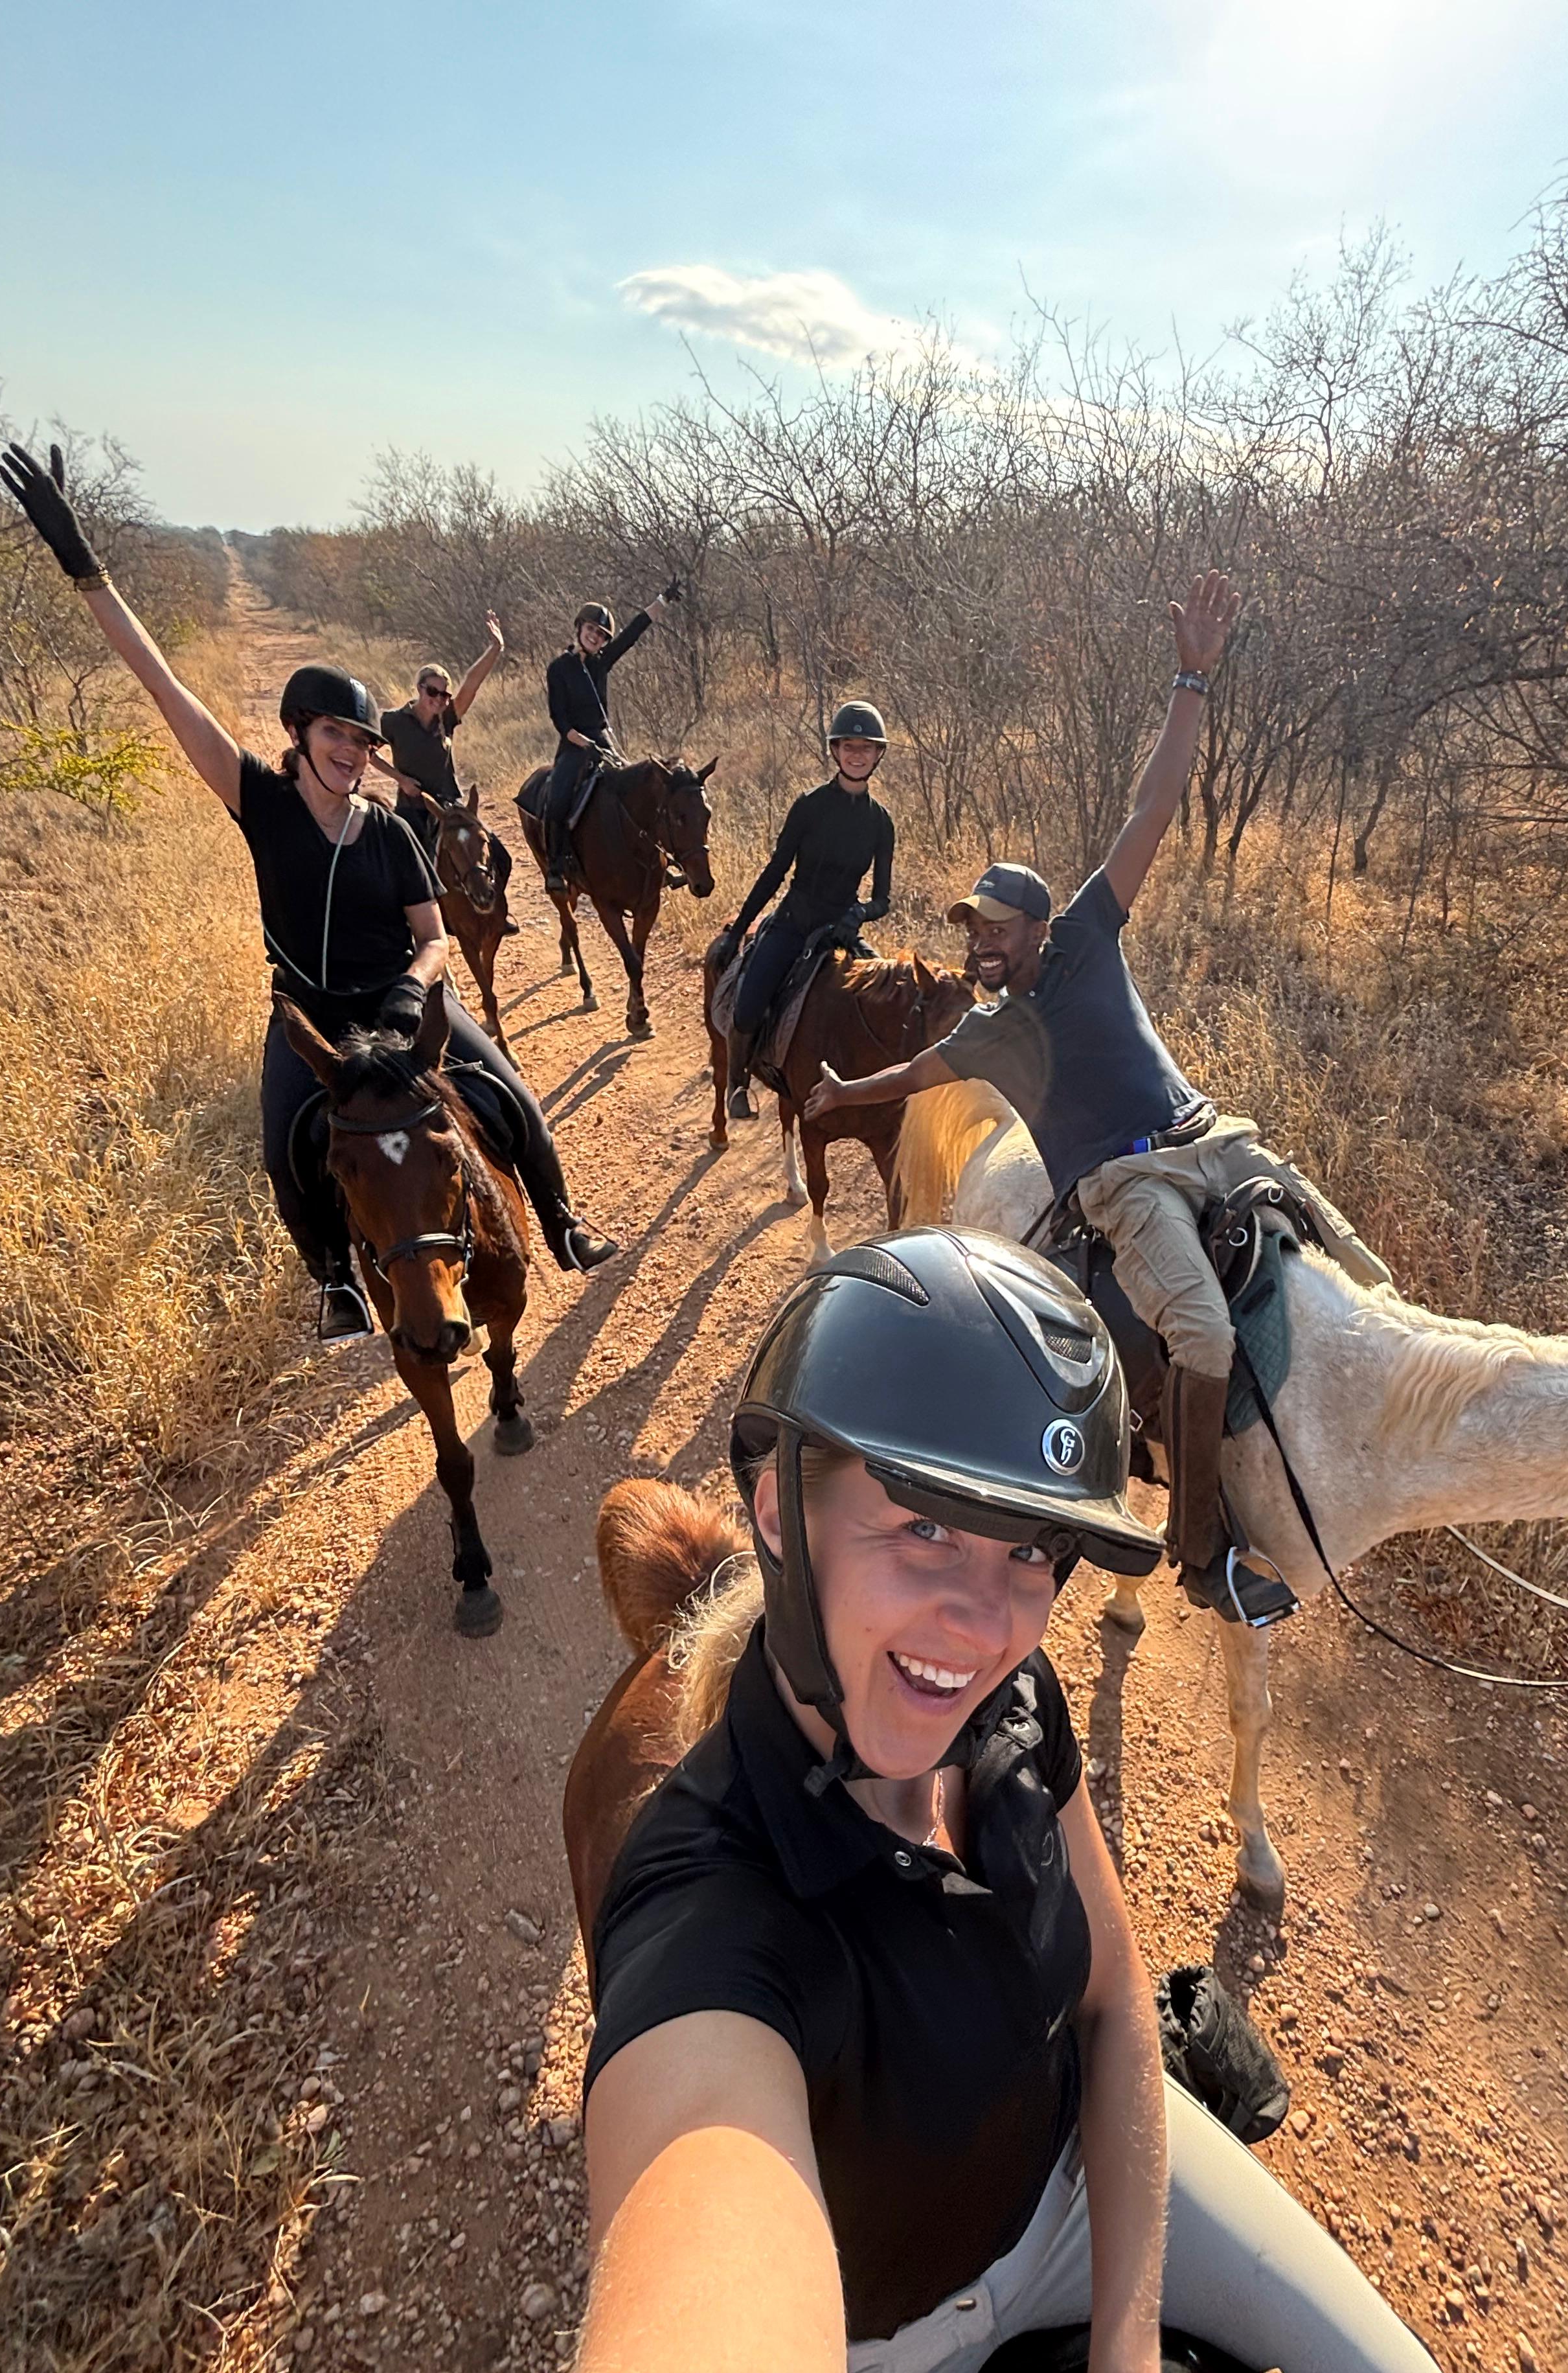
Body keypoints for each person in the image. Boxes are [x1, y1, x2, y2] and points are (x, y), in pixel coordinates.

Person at [424, 1228, 1549, 2373]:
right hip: (870, 2359)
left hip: (1084, 2188)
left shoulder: (1011, 1709)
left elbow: (1118, 1999)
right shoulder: (707, 1905)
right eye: (922, 1525)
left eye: (1032, 1550)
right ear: (777, 1507)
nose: (981, 1617)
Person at [804, 575, 1390, 1629]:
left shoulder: (1081, 934)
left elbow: (1151, 804)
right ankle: (1200, 1550)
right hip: (1123, 1181)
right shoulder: (988, 1030)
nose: (974, 939)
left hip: (1210, 1133)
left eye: (988, 924)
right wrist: (847, 1086)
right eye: (966, 926)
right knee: (1203, 1334)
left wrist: (1189, 679)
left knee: (1359, 1262)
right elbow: (915, 1075)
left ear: (1030, 925)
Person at [0, 443, 619, 1345]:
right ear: (300, 731)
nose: (352, 752)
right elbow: (164, 687)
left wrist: (415, 988)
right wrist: (85, 568)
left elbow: (433, 932)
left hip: (398, 1008)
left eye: (363, 741)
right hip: (313, 1022)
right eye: (336, 734)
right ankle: (335, 1280)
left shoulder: (391, 829)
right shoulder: (262, 801)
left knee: (507, 1093)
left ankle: (561, 1221)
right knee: (286, 1145)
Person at [713, 700, 895, 1120]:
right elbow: (776, 872)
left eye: (865, 748)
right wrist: (739, 929)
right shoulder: (809, 807)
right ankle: (737, 1082)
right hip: (794, 925)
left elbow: (883, 898)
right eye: (849, 745)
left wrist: (860, 914)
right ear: (835, 750)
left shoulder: (880, 823)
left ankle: (879, 1092)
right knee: (749, 1002)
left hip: (842, 931)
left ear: (877, 755)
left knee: (888, 999)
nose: (856, 754)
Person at [540, 582, 681, 898]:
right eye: (592, 629)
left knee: (643, 788)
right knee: (558, 799)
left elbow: (632, 633)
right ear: (579, 628)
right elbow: (559, 717)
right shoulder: (559, 668)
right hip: (574, 743)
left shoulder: (602, 661)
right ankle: (556, 867)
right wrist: (577, 740)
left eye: (602, 634)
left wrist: (662, 601)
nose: (596, 636)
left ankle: (661, 860)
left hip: (604, 740)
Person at [378, 621, 517, 932]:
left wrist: (495, 649)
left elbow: (471, 685)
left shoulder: (447, 720)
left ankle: (498, 914)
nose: (439, 699)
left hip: (450, 805)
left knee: (498, 853)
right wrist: (399, 778)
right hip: (414, 807)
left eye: (443, 694)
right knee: (409, 867)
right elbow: (366, 750)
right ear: (419, 689)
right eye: (433, 692)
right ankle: (411, 929)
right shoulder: (394, 722)